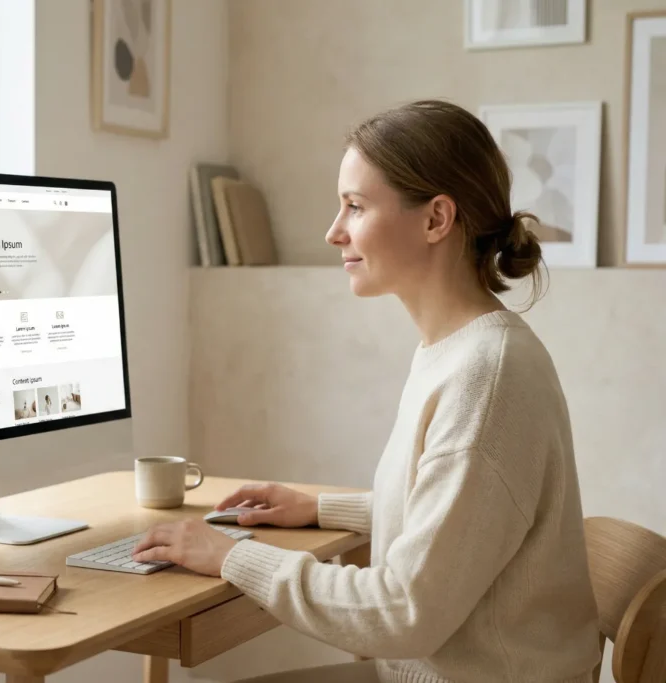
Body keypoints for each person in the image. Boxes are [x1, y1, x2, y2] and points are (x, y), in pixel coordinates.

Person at [132, 99, 602, 683]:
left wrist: (231, 556)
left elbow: (400, 611)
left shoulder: (486, 375)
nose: (333, 232)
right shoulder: (460, 350)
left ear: (436, 219)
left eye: (355, 206)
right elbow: (460, 514)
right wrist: (321, 508)